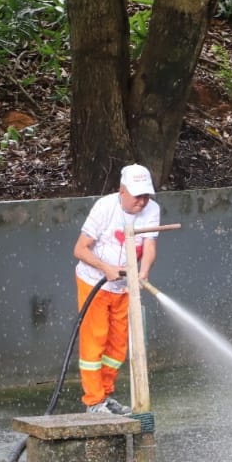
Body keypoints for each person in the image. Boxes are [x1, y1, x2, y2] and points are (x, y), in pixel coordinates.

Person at [72, 163, 161, 414]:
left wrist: (143, 272)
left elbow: (150, 246)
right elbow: (79, 249)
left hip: (124, 288)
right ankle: (93, 401)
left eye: (146, 196)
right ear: (122, 191)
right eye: (137, 196)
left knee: (117, 345)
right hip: (94, 283)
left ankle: (106, 395)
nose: (142, 202)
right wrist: (105, 267)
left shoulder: (152, 209)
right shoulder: (105, 207)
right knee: (95, 341)